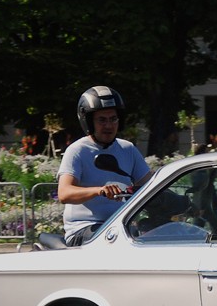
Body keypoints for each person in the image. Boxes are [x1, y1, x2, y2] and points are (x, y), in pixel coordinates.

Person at [58, 85, 152, 246]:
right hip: (85, 228)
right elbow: (64, 193)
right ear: (88, 122)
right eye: (102, 120)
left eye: (113, 119)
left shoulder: (127, 149)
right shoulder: (77, 150)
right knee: (116, 244)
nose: (109, 125)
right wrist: (99, 190)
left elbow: (150, 183)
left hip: (120, 226)